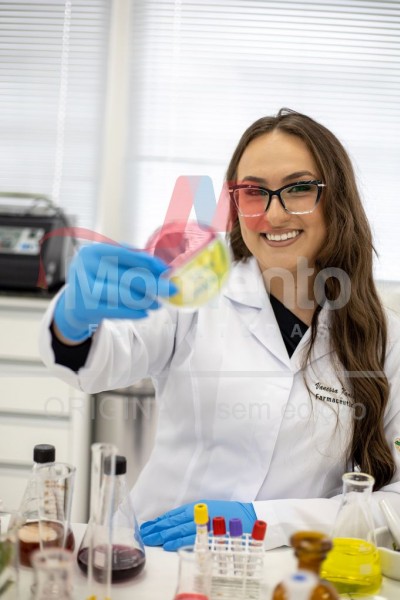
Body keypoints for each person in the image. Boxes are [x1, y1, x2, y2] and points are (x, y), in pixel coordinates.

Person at [39, 108, 400, 551]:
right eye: (253, 192)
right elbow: (101, 362)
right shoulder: (194, 289)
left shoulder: (385, 339)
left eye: (299, 188)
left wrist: (267, 521)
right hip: (157, 555)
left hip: (285, 567)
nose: (274, 214)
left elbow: (394, 504)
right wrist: (73, 321)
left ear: (337, 199)